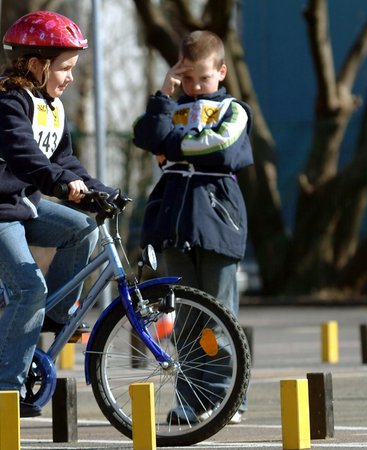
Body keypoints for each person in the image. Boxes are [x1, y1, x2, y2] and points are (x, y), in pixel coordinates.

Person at [0, 10, 117, 417]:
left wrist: (99, 190)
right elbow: (24, 155)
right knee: (29, 289)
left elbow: (65, 160)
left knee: (82, 231)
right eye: (66, 68)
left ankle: (53, 318)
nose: (71, 78)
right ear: (38, 64)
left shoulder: (52, 107)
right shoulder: (6, 99)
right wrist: (60, 184)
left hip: (21, 205)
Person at [132, 30, 253, 424]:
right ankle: (191, 398)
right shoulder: (173, 106)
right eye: (186, 79)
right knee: (184, 318)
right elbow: (146, 136)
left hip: (218, 224)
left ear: (221, 72)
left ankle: (226, 396)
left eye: (203, 78)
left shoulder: (234, 109)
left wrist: (173, 144)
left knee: (219, 316)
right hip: (174, 225)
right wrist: (163, 96)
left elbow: (222, 148)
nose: (195, 87)